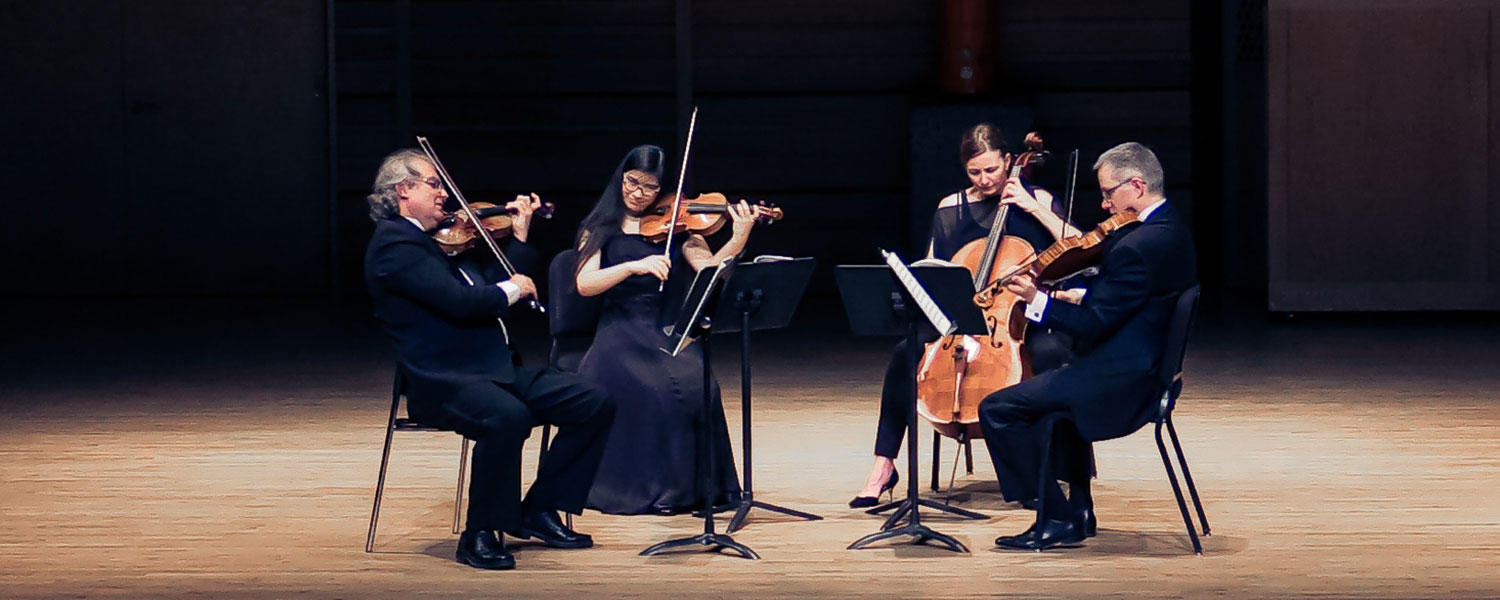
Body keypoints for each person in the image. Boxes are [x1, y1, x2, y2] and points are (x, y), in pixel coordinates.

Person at [363, 149, 616, 570]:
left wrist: (518, 239)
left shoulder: (438, 243)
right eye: (434, 183)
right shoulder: (395, 245)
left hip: (493, 371)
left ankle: (540, 510)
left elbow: (490, 287)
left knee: (593, 400)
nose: (445, 195)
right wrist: (514, 290)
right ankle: (480, 532)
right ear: (403, 191)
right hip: (443, 382)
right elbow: (462, 304)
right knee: (507, 417)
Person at [850, 123, 1082, 508]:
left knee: (1050, 354)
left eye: (992, 169)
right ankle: (883, 465)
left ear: (1010, 161)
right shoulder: (950, 207)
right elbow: (933, 269)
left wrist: (1032, 206)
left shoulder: (1038, 197)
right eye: (975, 172)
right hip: (962, 318)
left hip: (1025, 314)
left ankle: (1055, 468)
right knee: (904, 353)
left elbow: (1079, 245)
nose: (986, 179)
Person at [981, 142, 1197, 550]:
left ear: (1135, 185)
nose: (1103, 205)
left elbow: (1093, 326)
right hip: (1145, 366)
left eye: (1108, 194)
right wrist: (1077, 296)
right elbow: (1132, 300)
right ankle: (1075, 512)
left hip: (1125, 381)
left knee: (998, 409)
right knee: (1051, 406)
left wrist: (1036, 300)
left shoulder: (1137, 245)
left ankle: (1057, 517)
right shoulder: (1169, 228)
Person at [573, 145, 766, 515]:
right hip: (619, 333)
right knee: (658, 390)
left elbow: (710, 272)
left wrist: (738, 238)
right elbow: (585, 283)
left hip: (666, 329)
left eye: (649, 186)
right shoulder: (598, 228)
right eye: (632, 182)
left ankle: (702, 490)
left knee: (703, 386)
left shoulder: (678, 225)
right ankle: (663, 491)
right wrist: (633, 267)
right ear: (621, 177)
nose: (638, 193)